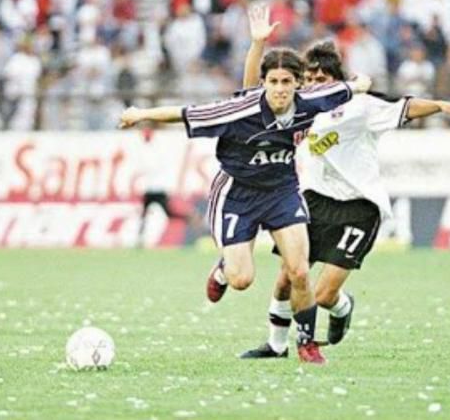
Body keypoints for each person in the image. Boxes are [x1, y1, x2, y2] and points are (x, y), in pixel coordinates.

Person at [239, 4, 450, 359]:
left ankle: (342, 307)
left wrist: (440, 105)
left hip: (359, 209)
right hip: (315, 201)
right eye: (311, 80)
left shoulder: (358, 106)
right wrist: (257, 46)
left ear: (337, 81)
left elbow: (404, 107)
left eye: (323, 80)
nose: (315, 86)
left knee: (323, 295)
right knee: (288, 275)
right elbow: (248, 98)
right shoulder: (297, 108)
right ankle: (276, 345)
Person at [119, 47, 372, 364]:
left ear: (298, 84)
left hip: (282, 191)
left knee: (299, 270)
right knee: (242, 280)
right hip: (237, 194)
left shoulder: (313, 101)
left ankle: (307, 344)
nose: (280, 89)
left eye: (286, 81)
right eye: (273, 81)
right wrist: (141, 114)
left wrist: (362, 82)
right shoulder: (238, 111)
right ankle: (225, 270)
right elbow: (185, 113)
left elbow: (353, 86)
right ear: (263, 82)